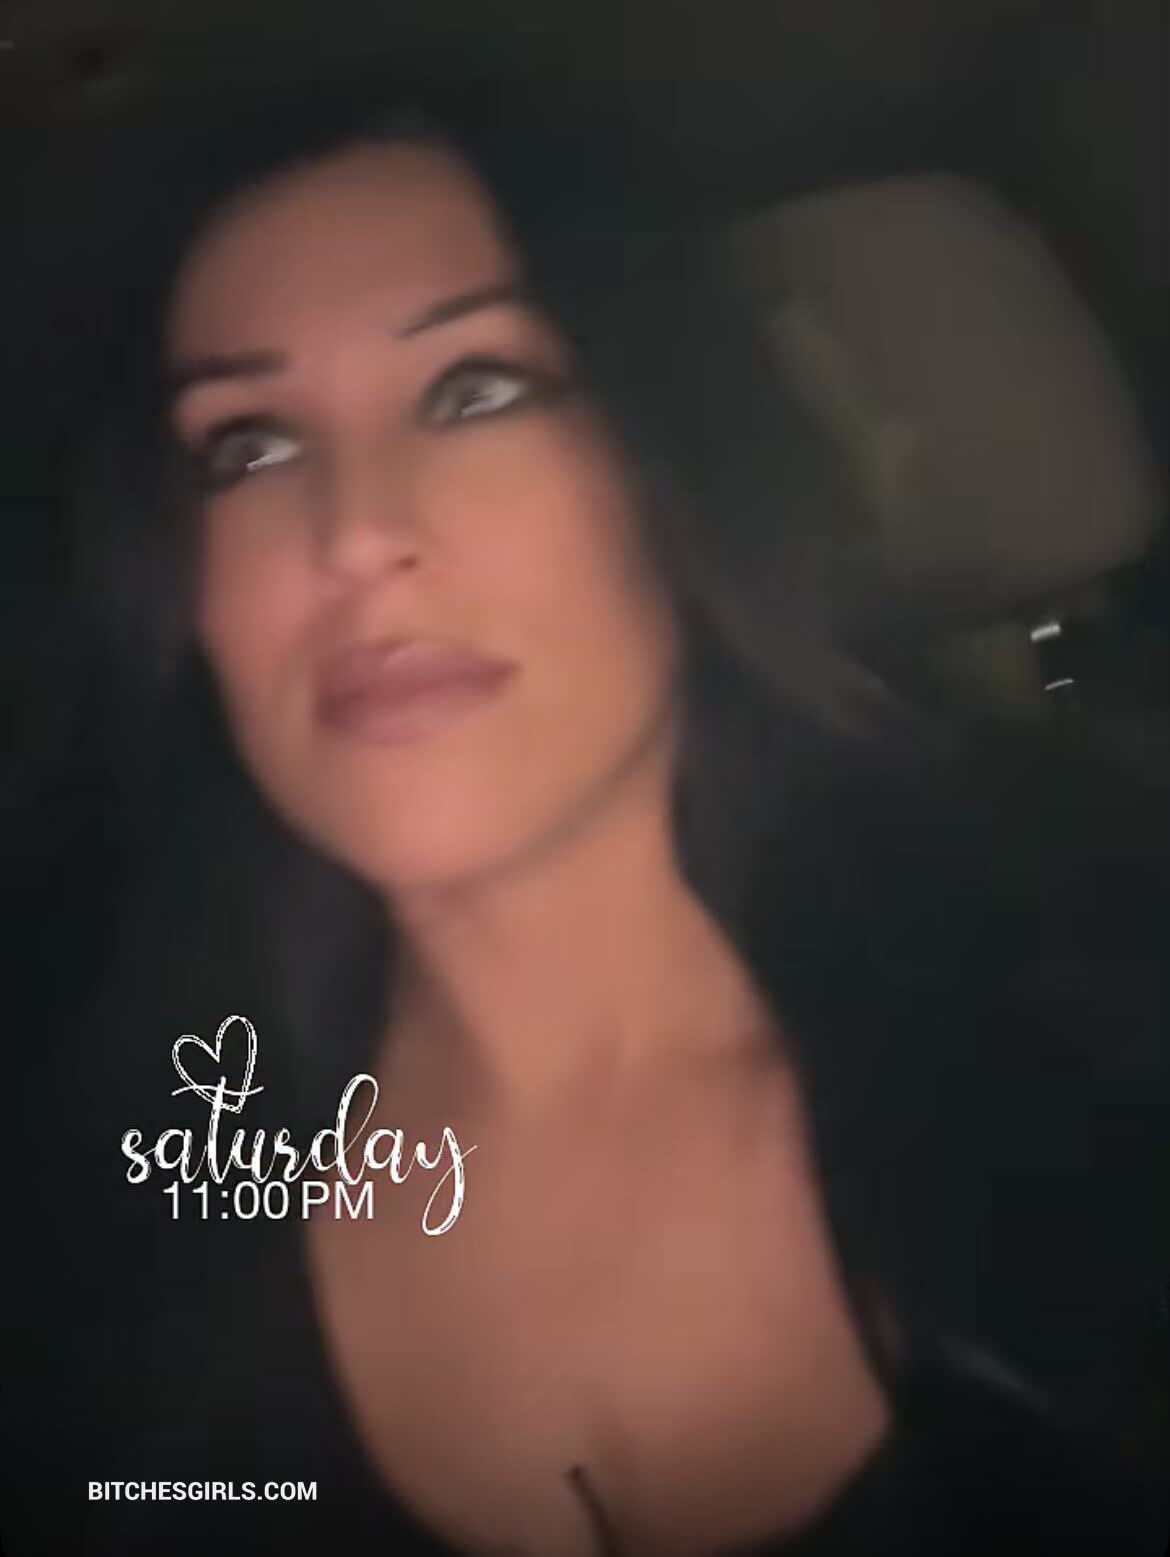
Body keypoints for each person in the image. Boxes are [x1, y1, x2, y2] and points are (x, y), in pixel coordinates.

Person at [2, 62, 1167, 1557]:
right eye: (249, 446)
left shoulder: (1107, 1016)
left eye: (476, 390)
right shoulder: (90, 1191)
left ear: (677, 485)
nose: (354, 534)